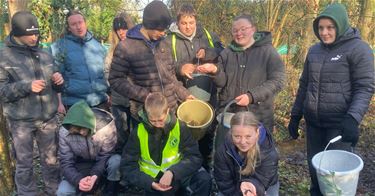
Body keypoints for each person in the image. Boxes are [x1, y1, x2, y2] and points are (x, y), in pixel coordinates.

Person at [288, 3, 374, 196]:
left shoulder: (359, 49)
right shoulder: (314, 51)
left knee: (336, 182)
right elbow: (304, 84)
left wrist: (353, 118)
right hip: (314, 125)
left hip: (340, 127)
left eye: (330, 27)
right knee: (316, 174)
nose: (324, 32)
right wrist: (295, 116)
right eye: (321, 28)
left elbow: (365, 86)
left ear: (341, 25)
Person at [197, 14, 285, 146]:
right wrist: (215, 71)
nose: (239, 33)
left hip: (258, 116)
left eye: (243, 29)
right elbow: (222, 83)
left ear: (253, 29)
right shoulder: (227, 53)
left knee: (257, 159)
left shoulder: (268, 52)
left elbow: (278, 81)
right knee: (228, 157)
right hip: (230, 116)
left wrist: (251, 96)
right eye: (235, 30)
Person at [0, 11, 63, 195]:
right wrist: (26, 86)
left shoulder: (44, 54)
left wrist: (59, 81)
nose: (35, 37)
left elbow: (56, 86)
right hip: (21, 121)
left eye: (36, 33)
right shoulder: (4, 57)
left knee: (52, 160)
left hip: (48, 118)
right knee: (24, 164)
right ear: (17, 34)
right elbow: (2, 91)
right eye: (30, 34)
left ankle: (56, 191)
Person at [108, 0, 192, 123]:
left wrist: (185, 95)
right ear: (149, 25)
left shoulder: (164, 44)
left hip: (170, 112)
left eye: (165, 29)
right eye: (160, 29)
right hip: (146, 115)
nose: (163, 33)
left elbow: (171, 77)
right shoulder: (126, 47)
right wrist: (145, 95)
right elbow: (115, 80)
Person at [166, 3, 224, 170]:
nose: (188, 27)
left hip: (208, 95)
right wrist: (180, 68)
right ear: (178, 23)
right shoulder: (170, 40)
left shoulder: (207, 35)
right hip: (182, 97)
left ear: (196, 21)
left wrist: (208, 53)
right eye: (184, 23)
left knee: (207, 135)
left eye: (191, 22)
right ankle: (185, 172)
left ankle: (205, 169)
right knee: (185, 137)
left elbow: (222, 52)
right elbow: (165, 67)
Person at [121, 92, 211, 195]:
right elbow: (127, 166)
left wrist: (172, 172)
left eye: (160, 120)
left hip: (178, 173)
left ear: (167, 111)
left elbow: (194, 157)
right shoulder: (138, 132)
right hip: (153, 181)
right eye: (153, 121)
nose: (158, 125)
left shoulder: (180, 127)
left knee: (204, 179)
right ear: (146, 114)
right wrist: (149, 183)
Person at [49, 10, 109, 112]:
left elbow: (104, 74)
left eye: (80, 22)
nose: (78, 27)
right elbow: (56, 77)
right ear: (68, 28)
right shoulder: (59, 47)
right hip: (74, 104)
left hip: (100, 102)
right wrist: (59, 103)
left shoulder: (98, 46)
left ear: (85, 23)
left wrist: (108, 94)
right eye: (73, 24)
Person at [56, 100, 120, 196]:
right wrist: (78, 180)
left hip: (102, 164)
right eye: (77, 130)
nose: (81, 133)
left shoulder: (106, 126)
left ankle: (110, 189)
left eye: (83, 128)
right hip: (80, 166)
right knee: (63, 192)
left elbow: (106, 155)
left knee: (116, 161)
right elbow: (66, 162)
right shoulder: (64, 132)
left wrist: (95, 175)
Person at [214, 111, 279, 196]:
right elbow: (224, 183)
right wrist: (239, 193)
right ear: (231, 133)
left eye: (248, 136)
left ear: (257, 133)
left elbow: (264, 180)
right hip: (233, 188)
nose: (243, 142)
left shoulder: (268, 153)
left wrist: (252, 186)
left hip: (262, 186)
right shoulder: (223, 151)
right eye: (237, 136)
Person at [105, 12, 134, 155]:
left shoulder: (138, 46)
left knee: (136, 134)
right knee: (121, 135)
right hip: (118, 100)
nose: (121, 32)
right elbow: (106, 72)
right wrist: (110, 91)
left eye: (124, 28)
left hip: (136, 99)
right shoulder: (112, 51)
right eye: (118, 29)